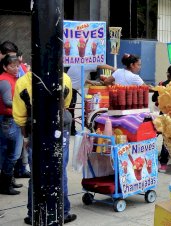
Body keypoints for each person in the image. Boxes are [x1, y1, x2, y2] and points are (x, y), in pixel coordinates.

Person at [12, 71, 77, 224]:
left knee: (36, 173)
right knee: (60, 171)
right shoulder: (64, 78)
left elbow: (20, 117)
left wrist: (26, 138)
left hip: (36, 130)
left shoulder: (22, 83)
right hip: (60, 129)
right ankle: (63, 211)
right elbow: (66, 104)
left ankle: (33, 213)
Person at [67, 63, 115, 135]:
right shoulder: (85, 63)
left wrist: (90, 82)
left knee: (70, 109)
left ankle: (70, 129)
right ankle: (71, 130)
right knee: (70, 110)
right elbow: (100, 65)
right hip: (70, 89)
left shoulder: (77, 64)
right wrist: (113, 69)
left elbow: (80, 76)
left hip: (71, 88)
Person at [0, 55, 23, 195]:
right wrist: (23, 105)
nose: (16, 68)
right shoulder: (5, 81)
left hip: (12, 119)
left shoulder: (12, 79)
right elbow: (8, 101)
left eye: (17, 65)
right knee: (13, 154)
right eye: (12, 66)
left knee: (12, 153)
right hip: (10, 120)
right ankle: (5, 184)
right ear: (4, 67)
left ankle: (9, 180)